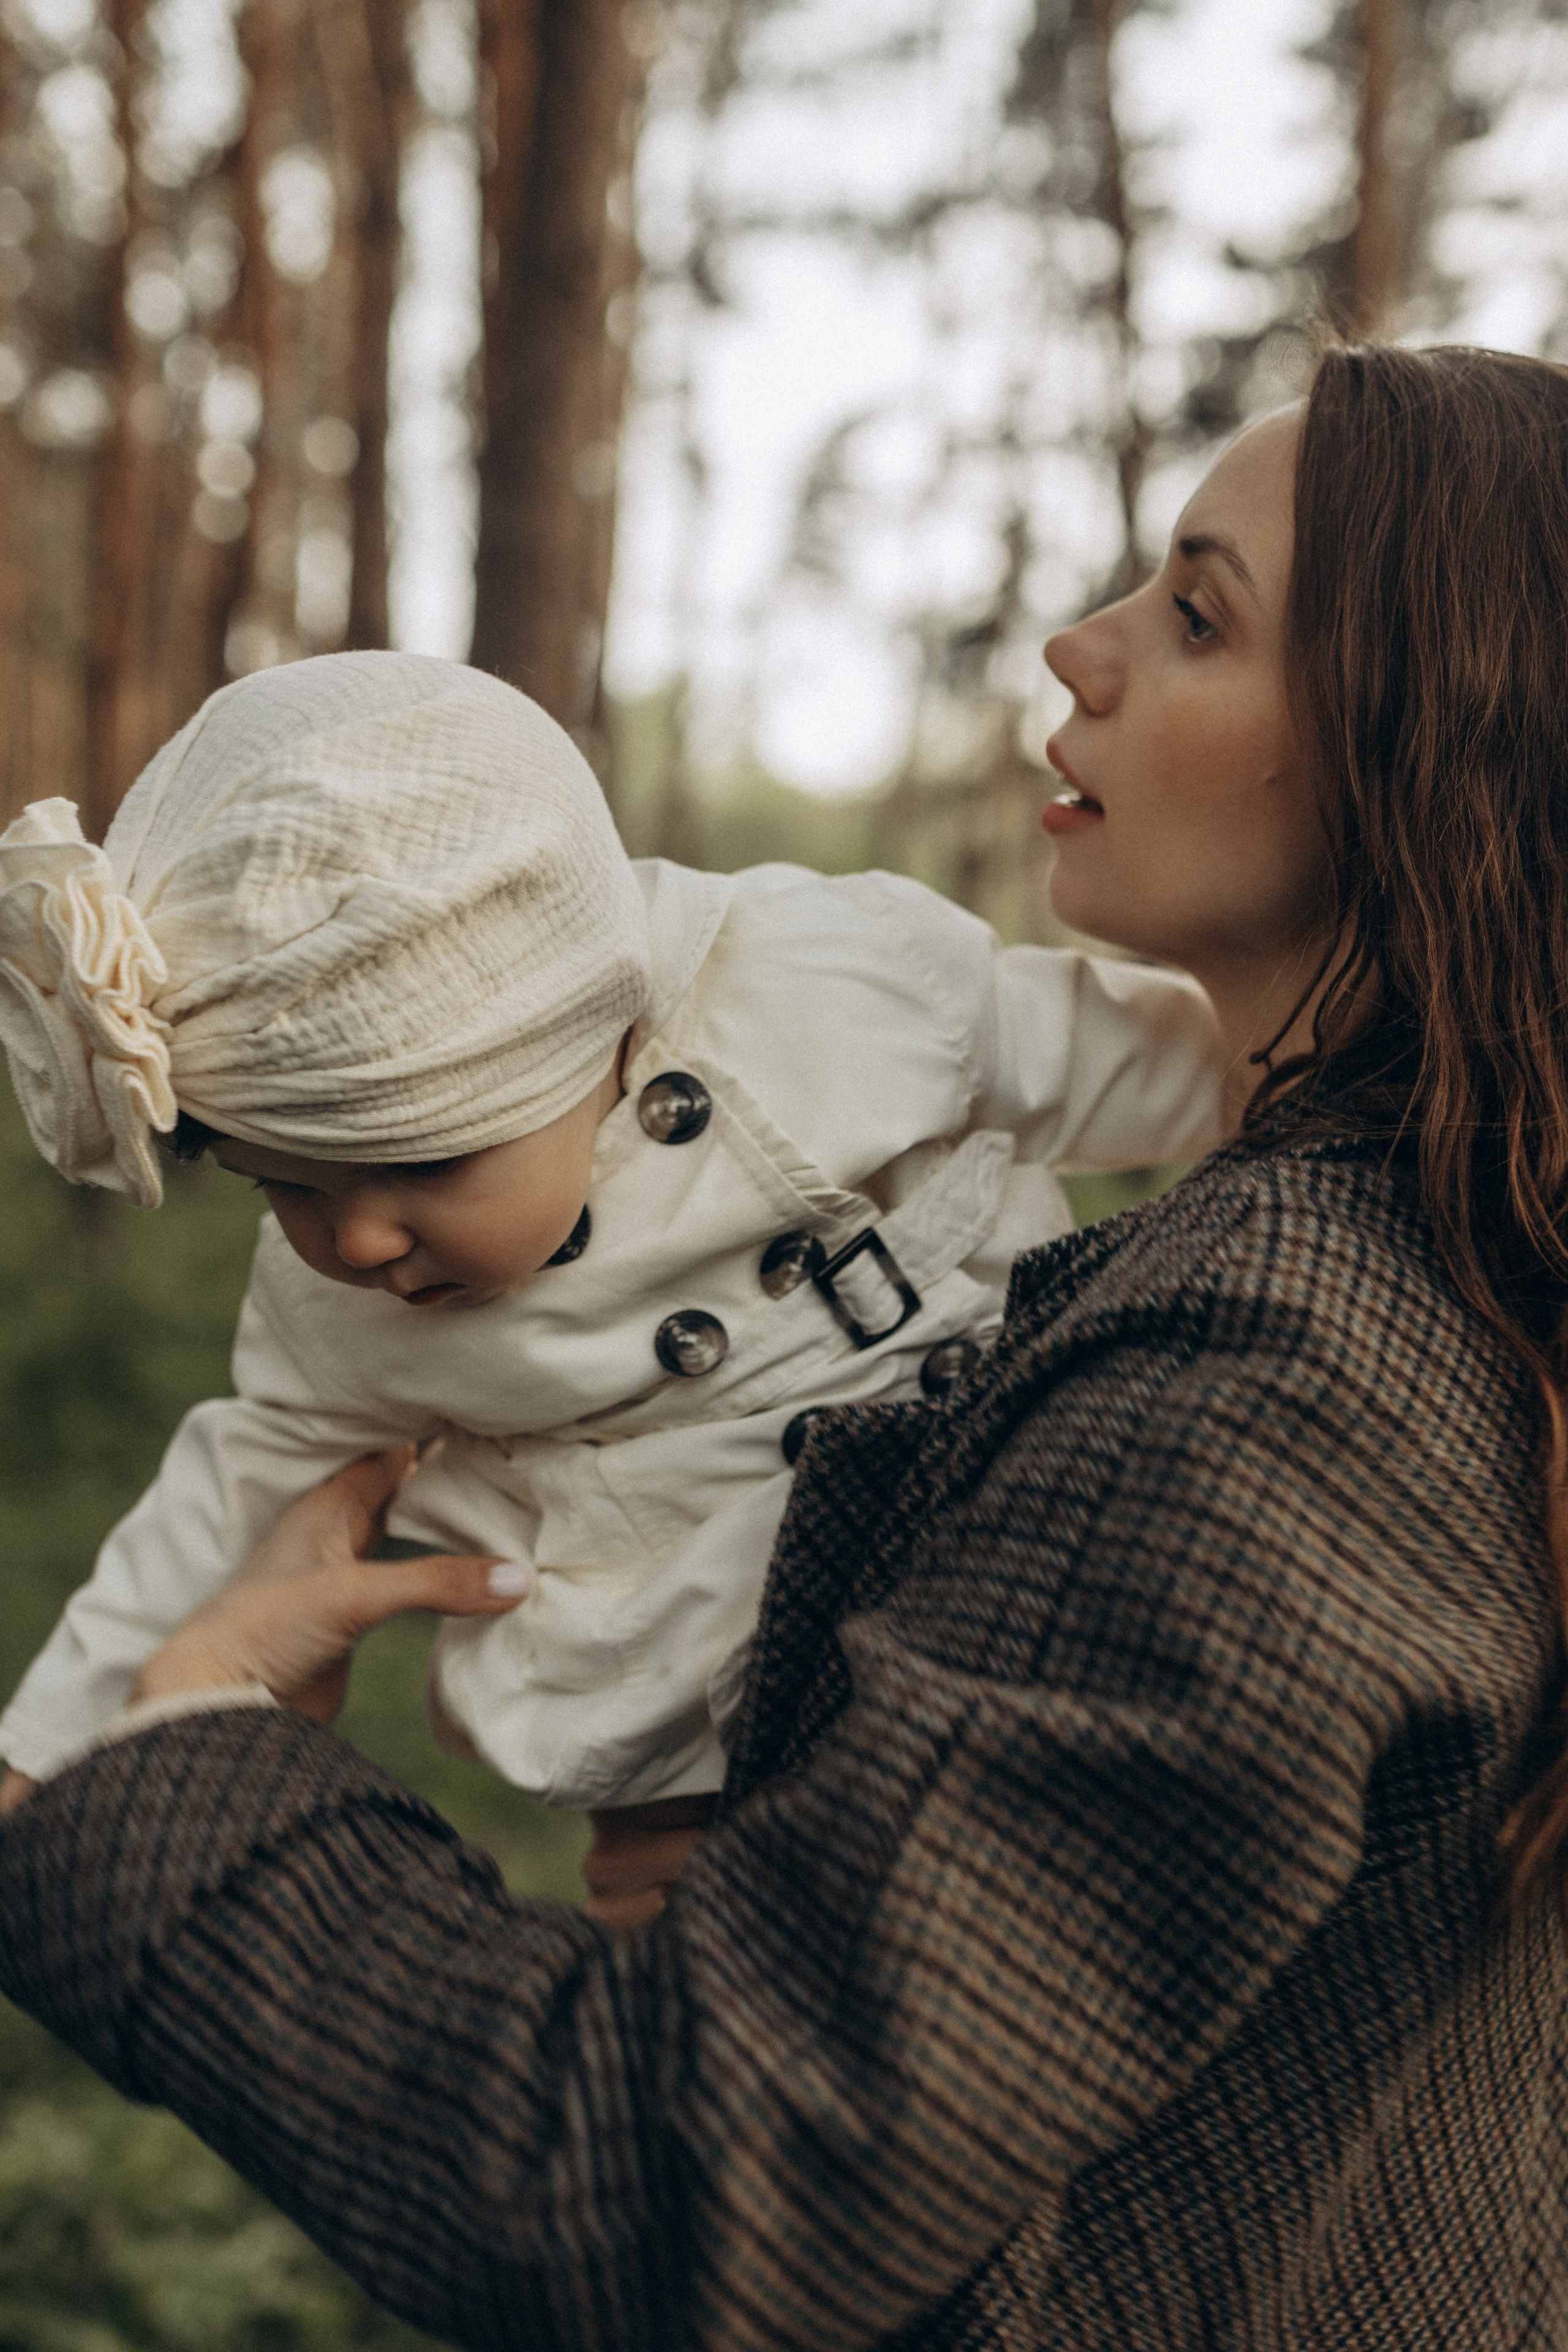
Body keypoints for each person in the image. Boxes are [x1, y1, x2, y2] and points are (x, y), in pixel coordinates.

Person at [3, 341, 1567, 2351]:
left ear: (1439, 743)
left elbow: (683, 2197)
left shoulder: (1290, 1381)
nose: (1081, 646)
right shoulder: (1430, 1261)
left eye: (1196, 613)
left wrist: (186, 1768)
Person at [0, 652, 1222, 1839]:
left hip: (1048, 1572)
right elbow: (230, 1496)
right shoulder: (337, 1321)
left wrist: (1363, 1071)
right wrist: (38, 1759)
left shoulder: (831, 984)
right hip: (695, 1776)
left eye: (423, 1164)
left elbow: (1129, 1058)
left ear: (589, 1021)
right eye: (282, 1187)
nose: (358, 1239)